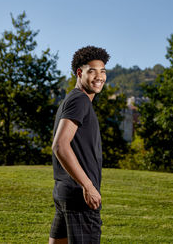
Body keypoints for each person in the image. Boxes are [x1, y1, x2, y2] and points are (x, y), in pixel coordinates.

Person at [49, 46, 110, 244]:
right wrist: (88, 186)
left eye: (103, 71)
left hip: (65, 193)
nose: (99, 76)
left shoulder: (72, 99)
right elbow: (60, 146)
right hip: (79, 197)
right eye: (92, 70)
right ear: (79, 72)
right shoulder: (80, 101)